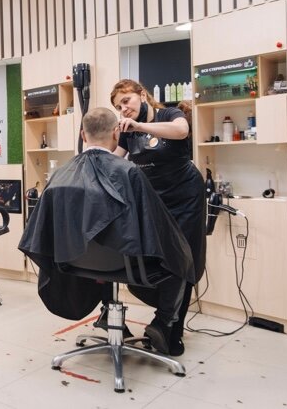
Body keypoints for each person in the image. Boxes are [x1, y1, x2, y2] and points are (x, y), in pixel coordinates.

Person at [19, 108, 195, 355]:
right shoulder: (129, 172)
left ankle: (106, 312)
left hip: (74, 261)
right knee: (181, 254)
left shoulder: (61, 175)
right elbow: (157, 231)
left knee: (108, 245)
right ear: (116, 133)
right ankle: (163, 323)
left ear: (83, 135)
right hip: (124, 265)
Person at [110, 79, 206, 356]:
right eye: (118, 106)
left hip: (186, 197)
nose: (123, 109)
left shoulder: (168, 114)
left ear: (142, 95)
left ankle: (171, 329)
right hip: (154, 200)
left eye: (126, 101)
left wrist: (140, 126)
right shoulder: (127, 131)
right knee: (154, 258)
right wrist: (93, 154)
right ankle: (164, 318)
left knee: (183, 260)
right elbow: (115, 158)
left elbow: (181, 130)